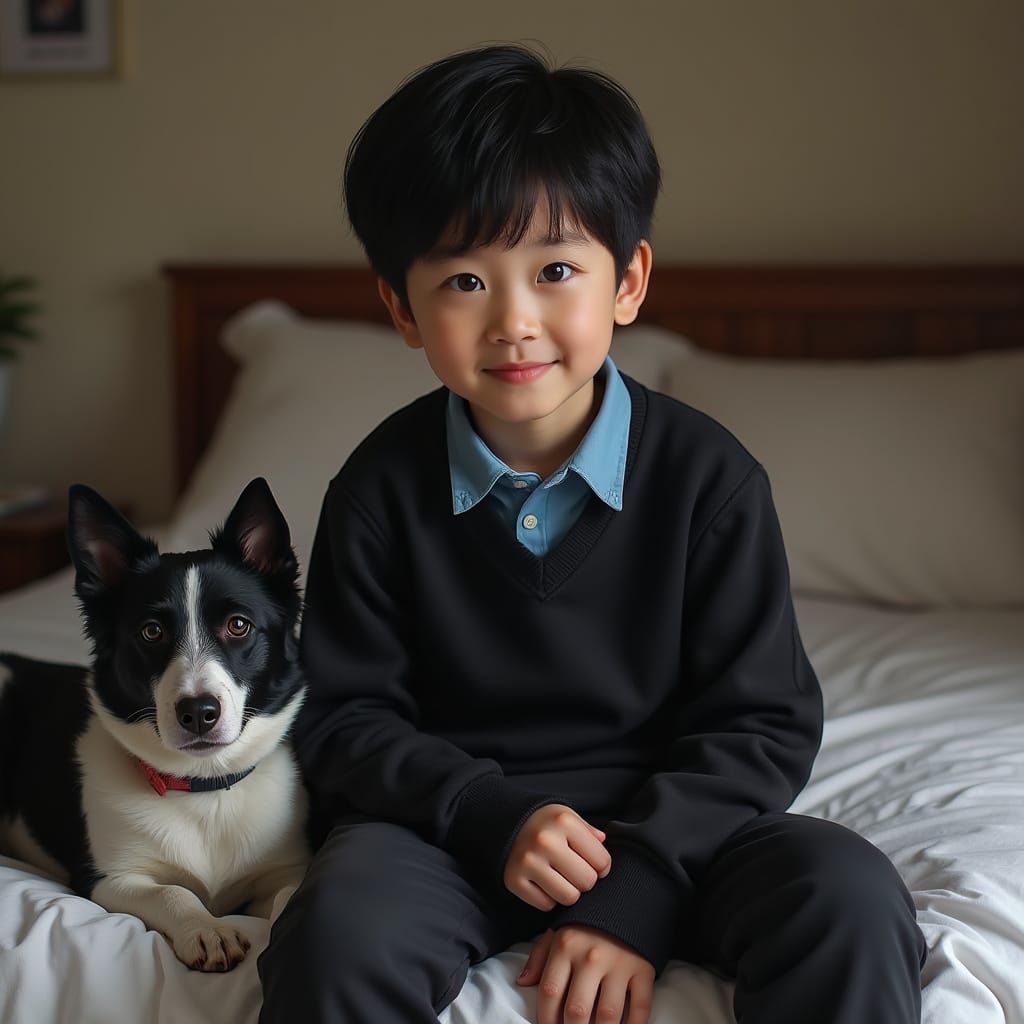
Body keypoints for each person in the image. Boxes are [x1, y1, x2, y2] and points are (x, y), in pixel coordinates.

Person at [258, 44, 926, 1024]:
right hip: (452, 830)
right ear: (401, 307)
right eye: (464, 282)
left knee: (848, 897)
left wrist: (634, 893)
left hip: (676, 833)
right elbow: (344, 717)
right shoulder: (379, 487)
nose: (513, 320)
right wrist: (493, 814)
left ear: (628, 282)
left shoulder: (708, 478)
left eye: (556, 269)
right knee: (337, 930)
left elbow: (759, 725)